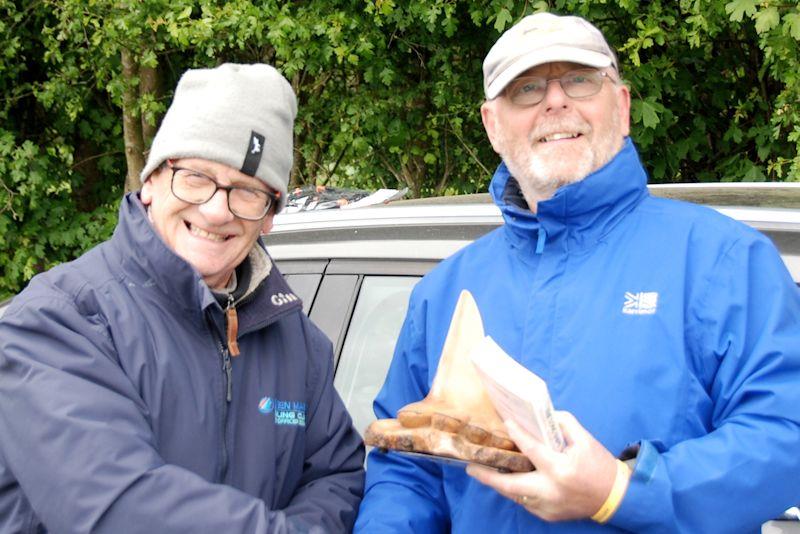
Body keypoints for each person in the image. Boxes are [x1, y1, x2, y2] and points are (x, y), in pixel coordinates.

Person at [354, 12, 800, 533]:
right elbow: (406, 471)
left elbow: (783, 435)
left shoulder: (723, 261)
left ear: (624, 105)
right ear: (492, 125)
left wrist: (619, 490)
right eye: (526, 88)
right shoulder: (445, 292)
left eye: (581, 80)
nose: (556, 100)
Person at [0, 63, 365, 533]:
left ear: (270, 214)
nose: (216, 209)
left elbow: (336, 477)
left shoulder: (298, 343)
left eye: (248, 191)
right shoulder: (58, 321)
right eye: (195, 177)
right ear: (151, 181)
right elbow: (118, 506)